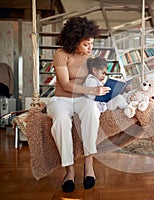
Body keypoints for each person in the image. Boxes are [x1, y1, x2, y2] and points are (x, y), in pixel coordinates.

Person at [46, 16, 111, 193]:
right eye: (86, 44)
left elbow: (96, 77)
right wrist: (91, 91)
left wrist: (104, 82)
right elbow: (65, 84)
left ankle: (89, 163)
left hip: (82, 99)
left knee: (91, 109)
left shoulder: (90, 57)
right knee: (60, 120)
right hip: (62, 99)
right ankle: (70, 170)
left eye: (92, 43)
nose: (90, 48)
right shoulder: (61, 54)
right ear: (74, 41)